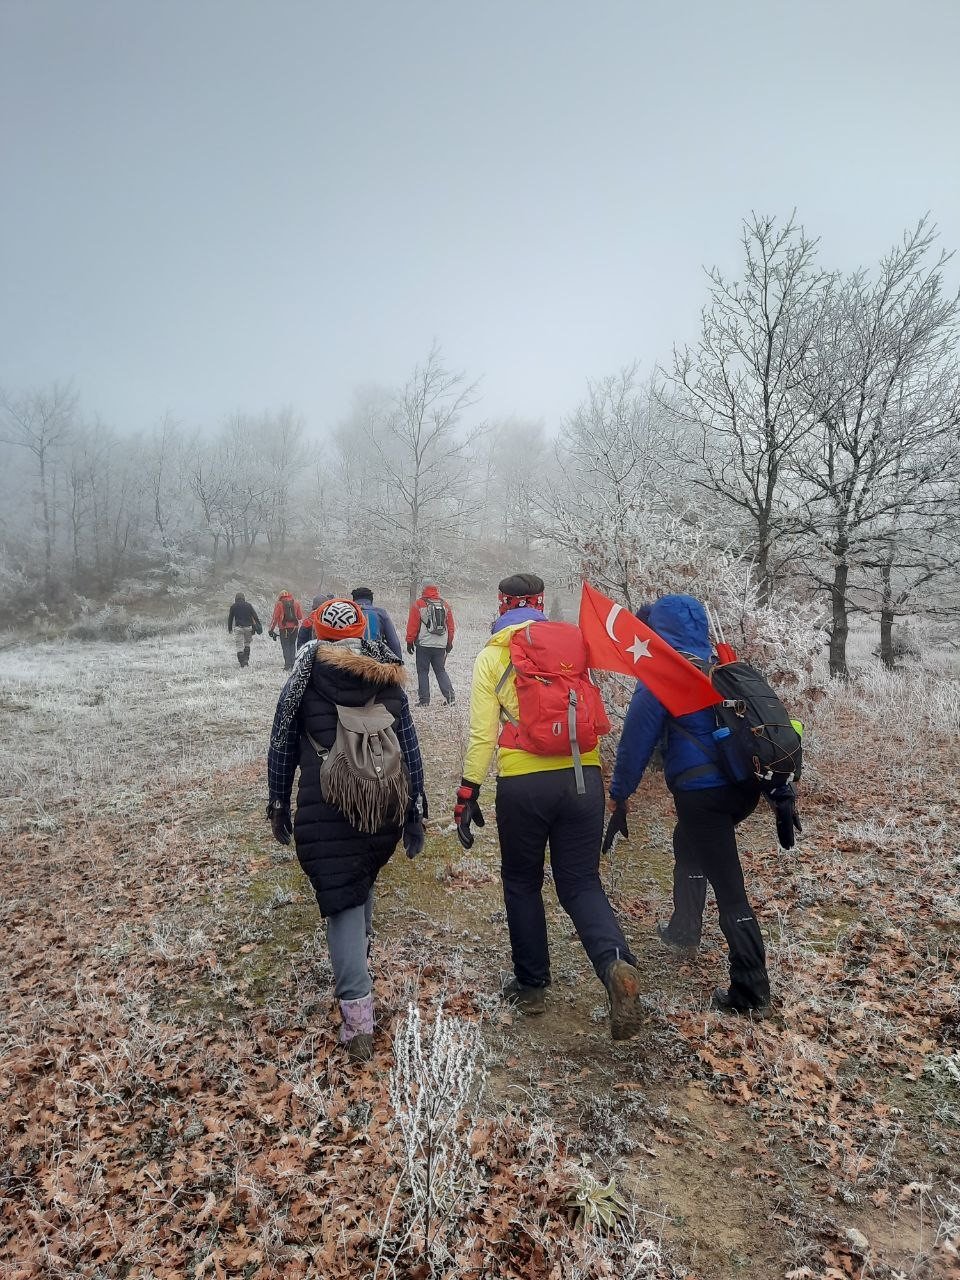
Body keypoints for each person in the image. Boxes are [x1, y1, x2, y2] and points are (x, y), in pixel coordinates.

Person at [453, 572, 643, 1040]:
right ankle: (615, 964)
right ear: (539, 603)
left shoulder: (492, 656)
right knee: (580, 881)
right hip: (584, 776)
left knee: (522, 882)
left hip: (524, 782)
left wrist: (468, 791)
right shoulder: (573, 645)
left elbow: (482, 736)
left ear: (501, 603)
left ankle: (532, 987)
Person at [265, 598, 427, 1061]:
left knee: (343, 902)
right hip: (384, 802)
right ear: (363, 632)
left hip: (328, 806)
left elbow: (280, 744)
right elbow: (410, 748)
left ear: (318, 633)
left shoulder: (302, 679)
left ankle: (358, 1022)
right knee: (360, 878)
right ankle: (362, 952)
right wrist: (415, 809)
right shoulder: (388, 675)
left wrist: (278, 804)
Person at [606, 593, 770, 1015]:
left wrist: (620, 795)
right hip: (742, 787)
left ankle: (751, 992)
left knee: (730, 888)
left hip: (704, 795)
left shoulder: (665, 676)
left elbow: (634, 745)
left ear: (662, 631)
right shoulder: (722, 664)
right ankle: (684, 929)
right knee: (688, 841)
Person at [406, 584, 456, 706]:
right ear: (436, 592)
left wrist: (409, 641)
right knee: (440, 670)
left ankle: (424, 701)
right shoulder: (445, 605)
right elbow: (450, 626)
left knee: (423, 671)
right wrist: (449, 642)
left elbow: (413, 625)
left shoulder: (419, 604)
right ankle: (450, 698)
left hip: (423, 644)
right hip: (440, 645)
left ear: (423, 592)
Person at [351, 587, 403, 661]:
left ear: (353, 600)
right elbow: (394, 642)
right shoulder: (381, 613)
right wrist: (398, 663)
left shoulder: (348, 613)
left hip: (351, 659)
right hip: (375, 660)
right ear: (371, 600)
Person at [268, 590, 304, 671]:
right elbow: (300, 617)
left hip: (284, 629)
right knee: (292, 645)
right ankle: (293, 664)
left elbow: (275, 618)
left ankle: (287, 665)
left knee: (285, 646)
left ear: (280, 596)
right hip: (295, 628)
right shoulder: (296, 602)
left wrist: (271, 629)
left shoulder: (279, 604)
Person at [227, 592, 262, 667]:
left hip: (238, 628)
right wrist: (258, 625)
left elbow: (230, 618)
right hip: (248, 628)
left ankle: (242, 663)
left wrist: (230, 629)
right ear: (244, 598)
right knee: (247, 644)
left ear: (236, 598)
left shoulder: (233, 606)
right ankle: (246, 661)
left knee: (239, 646)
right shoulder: (248, 605)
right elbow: (255, 616)